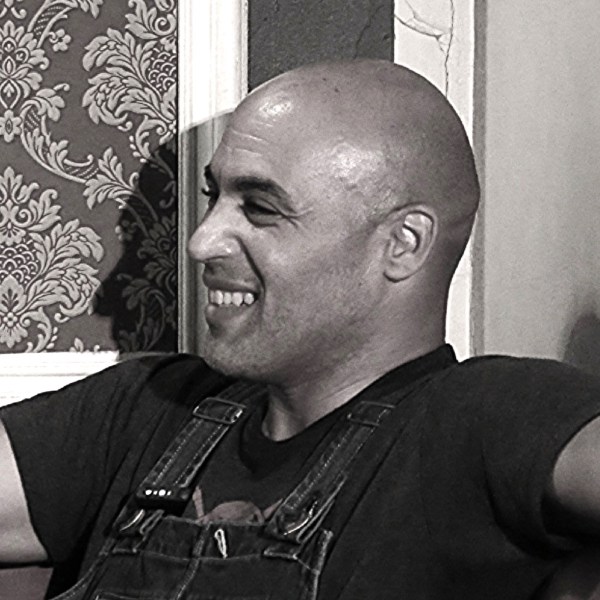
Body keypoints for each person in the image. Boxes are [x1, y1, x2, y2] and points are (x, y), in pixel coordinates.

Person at [1, 59, 600, 600]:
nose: (202, 241)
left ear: (402, 244)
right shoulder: (152, 406)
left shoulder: (478, 420)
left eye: (261, 208)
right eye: (213, 196)